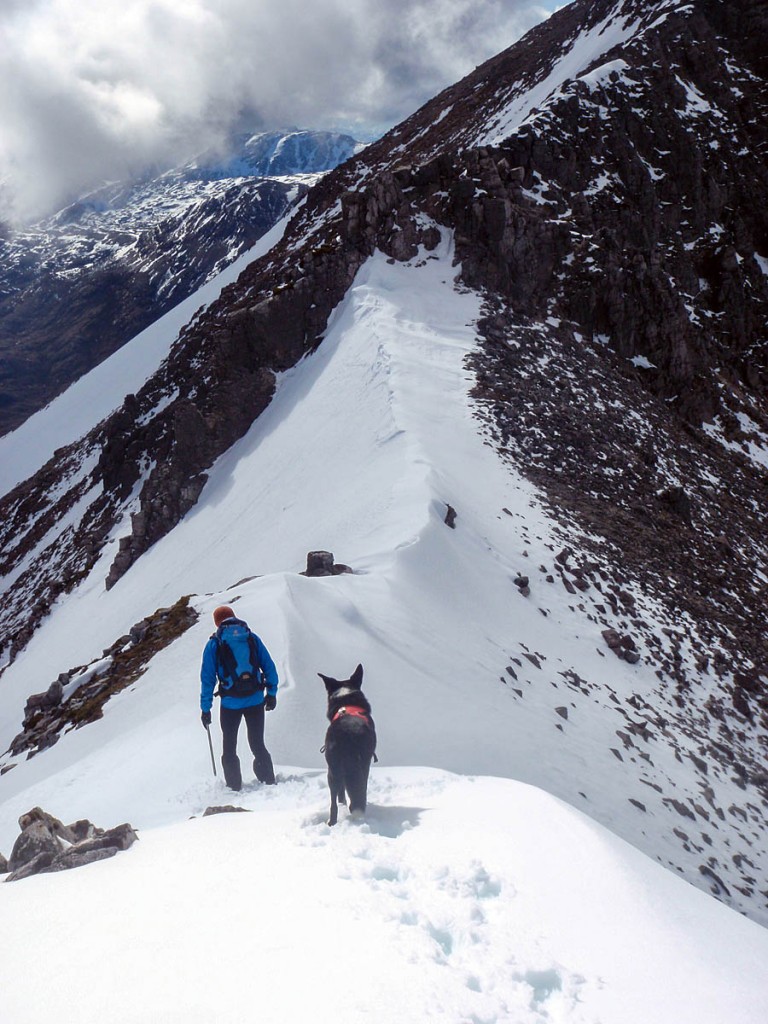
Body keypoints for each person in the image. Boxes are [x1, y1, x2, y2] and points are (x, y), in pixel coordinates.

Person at [200, 605, 278, 789]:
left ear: (217, 622)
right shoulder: (251, 638)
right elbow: (269, 666)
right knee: (258, 743)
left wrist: (206, 708)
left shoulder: (214, 643)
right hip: (256, 699)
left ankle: (234, 787)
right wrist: (272, 693)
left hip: (230, 703)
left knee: (229, 748)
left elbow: (207, 679)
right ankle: (269, 780)